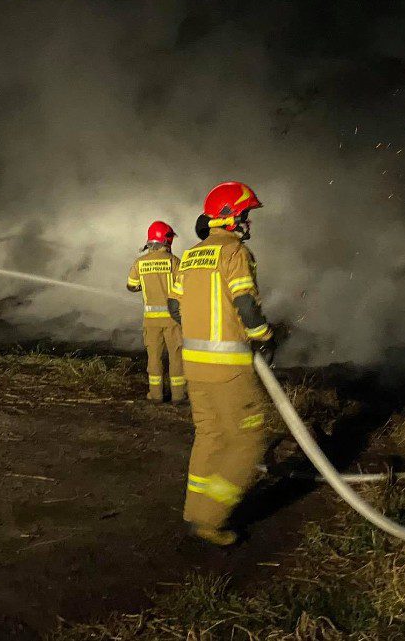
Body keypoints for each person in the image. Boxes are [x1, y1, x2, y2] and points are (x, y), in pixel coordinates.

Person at [168, 182, 275, 546]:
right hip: (228, 369)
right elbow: (245, 304)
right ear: (230, 217)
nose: (248, 222)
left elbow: (175, 308)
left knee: (210, 436)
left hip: (194, 365)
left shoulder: (191, 255)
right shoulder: (234, 252)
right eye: (245, 214)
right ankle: (211, 518)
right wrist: (264, 336)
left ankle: (194, 509)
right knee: (249, 440)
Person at [127, 221, 186, 403]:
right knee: (176, 356)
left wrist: (147, 285)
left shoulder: (140, 263)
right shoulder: (174, 261)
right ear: (167, 240)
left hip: (151, 320)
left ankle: (156, 394)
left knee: (154, 358)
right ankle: (178, 395)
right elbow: (184, 286)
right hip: (173, 319)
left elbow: (131, 286)